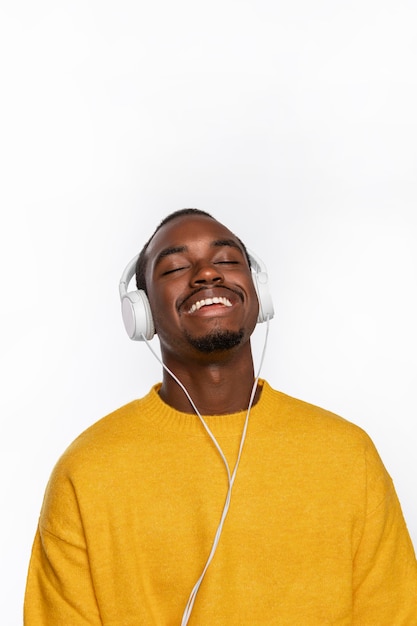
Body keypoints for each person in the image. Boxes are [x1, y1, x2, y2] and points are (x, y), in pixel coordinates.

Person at [24, 208, 417, 625]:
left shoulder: (347, 454)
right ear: (141, 314)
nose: (206, 274)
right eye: (175, 266)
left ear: (258, 293)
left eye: (227, 261)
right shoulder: (87, 470)